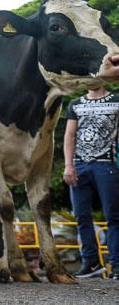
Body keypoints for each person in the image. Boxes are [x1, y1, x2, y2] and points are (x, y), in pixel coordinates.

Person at [63, 85, 119, 279]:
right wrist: (68, 165)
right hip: (80, 165)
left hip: (107, 165)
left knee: (113, 216)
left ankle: (117, 264)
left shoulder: (116, 101)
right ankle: (91, 262)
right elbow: (69, 135)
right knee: (81, 215)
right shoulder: (75, 104)